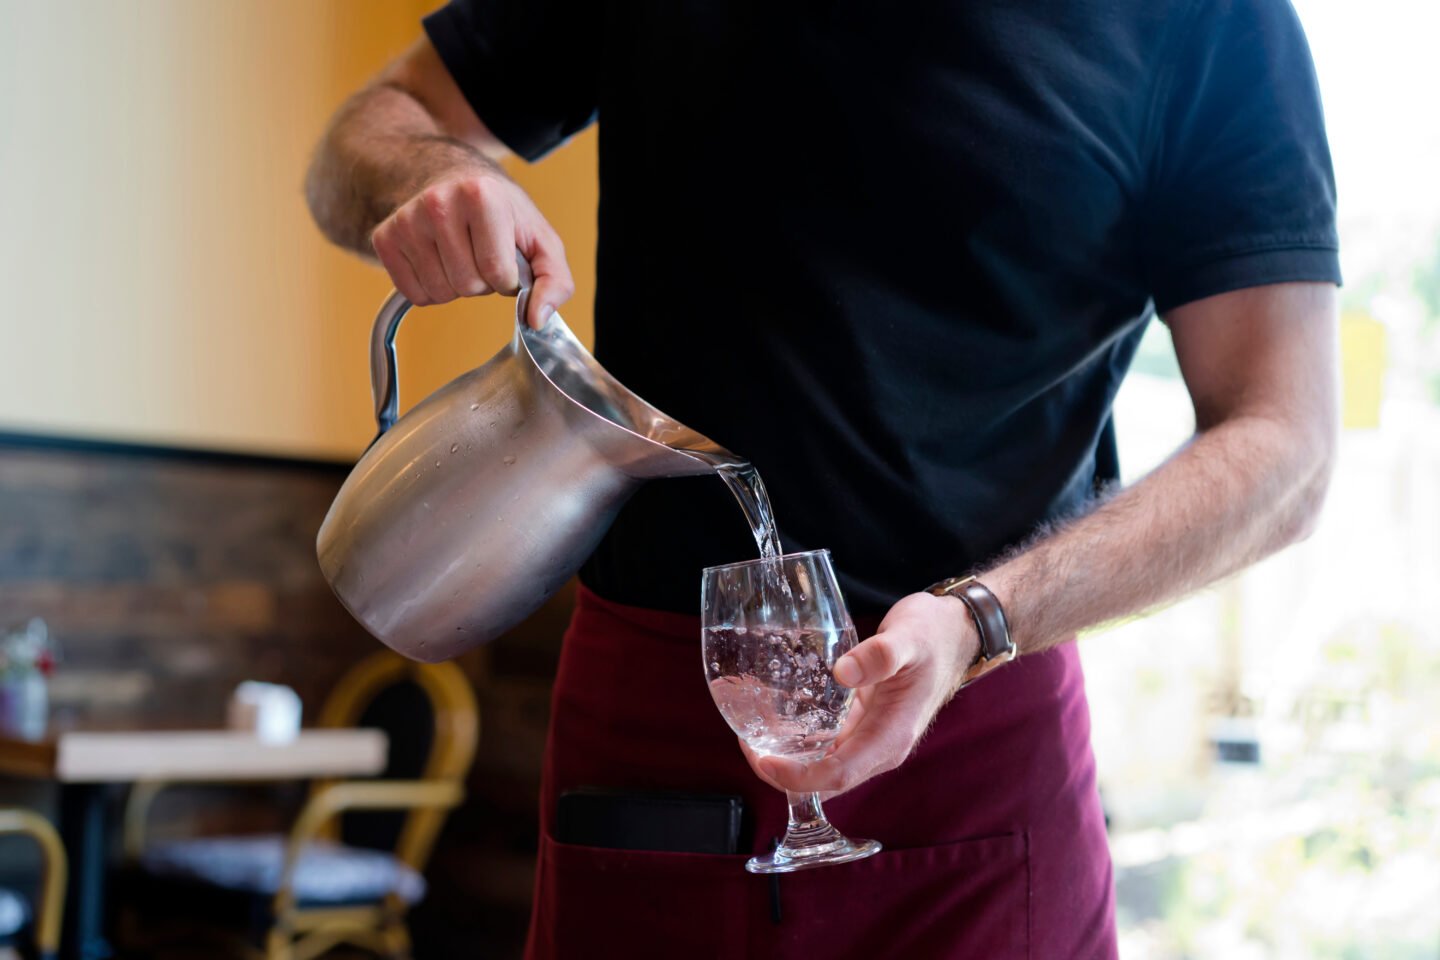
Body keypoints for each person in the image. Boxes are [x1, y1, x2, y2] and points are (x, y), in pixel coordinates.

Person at [306, 0, 1340, 955]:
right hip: (652, 733)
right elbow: (365, 133)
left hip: (977, 733)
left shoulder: (1209, 20)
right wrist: (427, 179)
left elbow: (1285, 443)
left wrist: (981, 618)